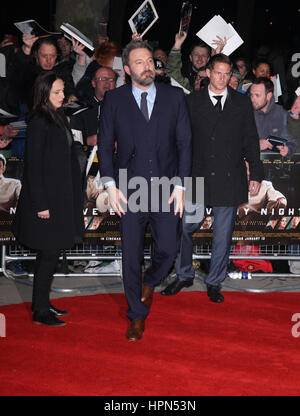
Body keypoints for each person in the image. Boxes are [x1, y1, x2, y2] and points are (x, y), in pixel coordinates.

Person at [98, 39, 192, 341]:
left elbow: (185, 145)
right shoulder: (114, 100)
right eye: (139, 62)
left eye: (150, 60)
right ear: (127, 69)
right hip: (128, 190)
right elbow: (104, 145)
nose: (147, 66)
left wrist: (181, 183)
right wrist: (110, 184)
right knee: (131, 255)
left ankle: (149, 283)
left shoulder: (175, 97)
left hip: (166, 188)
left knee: (167, 251)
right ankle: (136, 315)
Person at [161, 53, 264, 303]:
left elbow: (251, 139)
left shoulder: (241, 103)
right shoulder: (192, 101)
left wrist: (257, 173)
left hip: (229, 175)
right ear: (208, 72)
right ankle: (184, 273)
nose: (222, 78)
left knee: (223, 233)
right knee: (185, 227)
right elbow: (180, 140)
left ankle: (214, 281)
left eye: (227, 74)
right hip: (198, 174)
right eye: (217, 72)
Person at [12, 71, 85, 326]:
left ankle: (41, 303)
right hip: (45, 203)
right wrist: (41, 205)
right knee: (49, 254)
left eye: (62, 91)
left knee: (50, 255)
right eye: (57, 92)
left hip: (59, 197)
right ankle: (40, 311)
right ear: (44, 94)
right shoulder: (38, 122)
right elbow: (33, 167)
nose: (62, 95)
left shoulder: (57, 117)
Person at [249, 77, 296, 157]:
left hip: (274, 163)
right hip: (250, 163)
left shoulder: (282, 114)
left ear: (269, 96)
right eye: (251, 95)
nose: (253, 99)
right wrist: (255, 144)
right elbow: (234, 141)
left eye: (257, 95)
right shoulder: (245, 113)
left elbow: (292, 142)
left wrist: (288, 150)